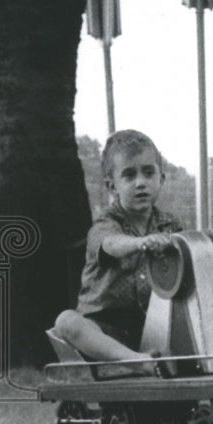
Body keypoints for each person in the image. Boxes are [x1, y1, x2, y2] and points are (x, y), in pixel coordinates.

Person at [53, 130, 184, 375]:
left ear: (161, 178)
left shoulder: (170, 226)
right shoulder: (105, 225)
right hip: (104, 329)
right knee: (66, 321)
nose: (140, 182)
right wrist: (141, 243)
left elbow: (188, 262)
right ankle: (136, 362)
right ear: (112, 186)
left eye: (148, 172)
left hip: (153, 327)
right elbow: (111, 245)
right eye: (129, 175)